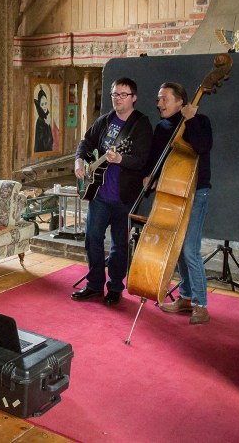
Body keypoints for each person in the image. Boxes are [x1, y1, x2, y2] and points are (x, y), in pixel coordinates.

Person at [73, 78, 152, 305]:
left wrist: (121, 159)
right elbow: (86, 142)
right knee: (92, 239)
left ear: (134, 98)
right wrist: (79, 160)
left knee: (119, 245)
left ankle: (115, 287)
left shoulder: (141, 125)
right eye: (115, 94)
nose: (118, 99)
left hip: (124, 197)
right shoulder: (105, 120)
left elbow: (142, 160)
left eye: (123, 95)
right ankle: (94, 285)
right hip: (99, 193)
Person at [143, 82, 213, 325]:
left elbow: (203, 147)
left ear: (181, 101)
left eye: (164, 99)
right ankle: (185, 297)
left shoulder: (200, 121)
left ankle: (201, 305)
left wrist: (190, 120)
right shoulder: (162, 127)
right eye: (158, 99)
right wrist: (150, 176)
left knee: (190, 249)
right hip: (172, 192)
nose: (159, 103)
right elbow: (156, 158)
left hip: (196, 192)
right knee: (178, 246)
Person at [33, 87, 54, 152]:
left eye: (45, 103)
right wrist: (46, 126)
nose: (44, 106)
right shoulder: (40, 121)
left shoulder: (46, 118)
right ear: (39, 105)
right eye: (42, 104)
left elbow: (51, 141)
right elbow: (45, 144)